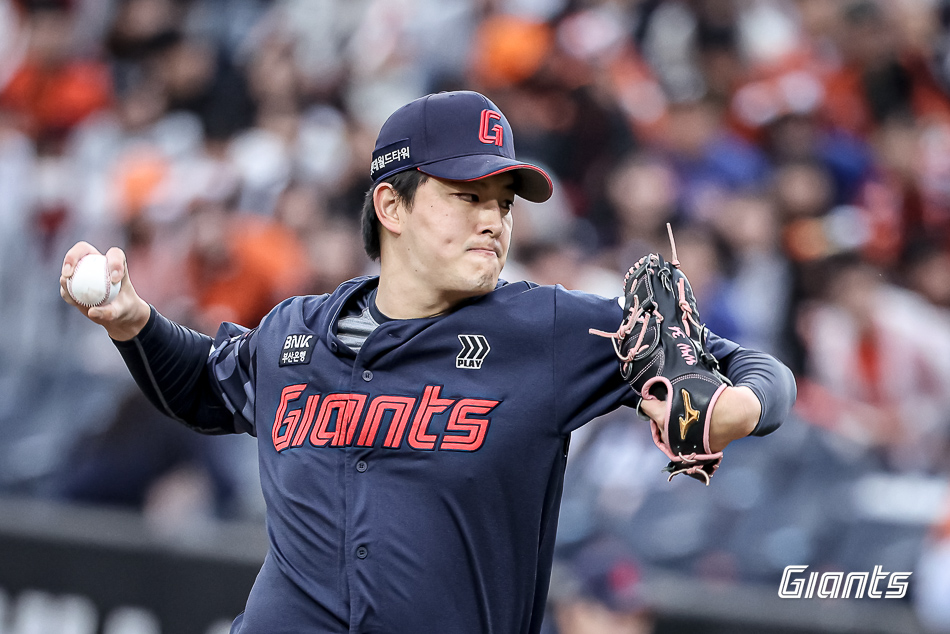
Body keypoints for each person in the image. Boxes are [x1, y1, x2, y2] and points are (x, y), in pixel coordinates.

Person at [59, 90, 796, 634]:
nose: (493, 219)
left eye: (503, 202)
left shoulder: (546, 332)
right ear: (392, 206)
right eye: (467, 195)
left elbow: (754, 367)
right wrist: (134, 323)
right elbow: (203, 386)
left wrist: (742, 405)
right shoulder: (295, 333)